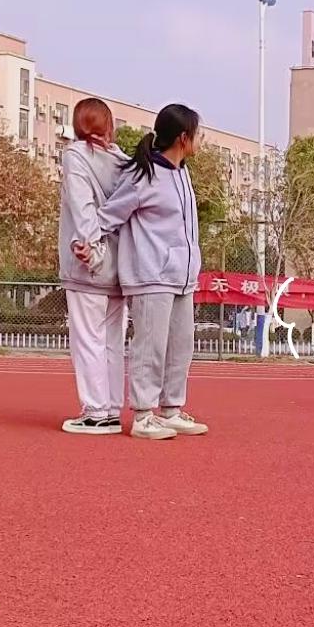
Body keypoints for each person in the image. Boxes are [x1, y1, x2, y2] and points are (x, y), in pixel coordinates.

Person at [98, 104, 208, 440]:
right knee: (151, 347)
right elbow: (109, 215)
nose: (202, 140)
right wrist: (88, 244)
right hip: (150, 276)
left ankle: (171, 409)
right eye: (198, 134)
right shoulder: (143, 176)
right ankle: (143, 415)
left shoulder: (182, 172)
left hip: (182, 278)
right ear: (183, 138)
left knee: (181, 346)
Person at [58, 98, 130, 435]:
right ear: (109, 126)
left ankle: (96, 412)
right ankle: (111, 408)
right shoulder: (123, 161)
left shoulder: (76, 156)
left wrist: (91, 247)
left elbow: (82, 205)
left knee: (88, 339)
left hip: (89, 263)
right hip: (119, 265)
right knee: (113, 341)